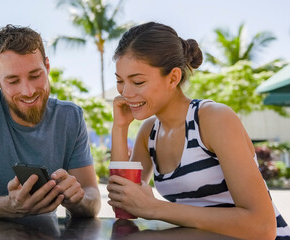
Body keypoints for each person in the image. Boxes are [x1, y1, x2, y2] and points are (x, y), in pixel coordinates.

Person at [107, 21, 290, 240]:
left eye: (138, 82)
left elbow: (263, 227)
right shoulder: (149, 133)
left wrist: (156, 208)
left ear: (173, 78)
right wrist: (120, 128)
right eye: (120, 81)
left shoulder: (213, 119)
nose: (126, 92)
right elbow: (125, 207)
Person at [0, 24, 100, 218]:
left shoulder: (70, 117)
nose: (28, 91)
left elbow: (92, 200)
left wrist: (77, 198)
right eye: (13, 81)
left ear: (47, 67)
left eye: (35, 75)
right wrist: (8, 205)